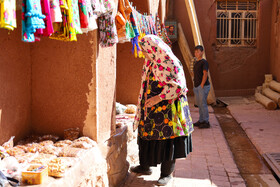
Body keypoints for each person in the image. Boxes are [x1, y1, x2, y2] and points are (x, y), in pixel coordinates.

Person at [130, 35, 194, 186]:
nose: (142, 53)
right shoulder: (150, 61)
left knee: (168, 139)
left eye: (144, 49)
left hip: (167, 110)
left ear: (153, 48)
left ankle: (166, 174)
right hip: (150, 110)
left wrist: (157, 98)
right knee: (145, 135)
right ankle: (145, 166)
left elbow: (178, 86)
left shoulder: (169, 62)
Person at [193, 45, 211, 129]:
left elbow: (205, 73)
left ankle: (206, 121)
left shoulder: (204, 62)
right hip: (196, 86)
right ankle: (201, 120)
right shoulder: (196, 62)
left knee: (203, 104)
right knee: (199, 104)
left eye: (198, 51)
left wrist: (202, 85)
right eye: (195, 51)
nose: (196, 53)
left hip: (203, 86)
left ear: (202, 52)